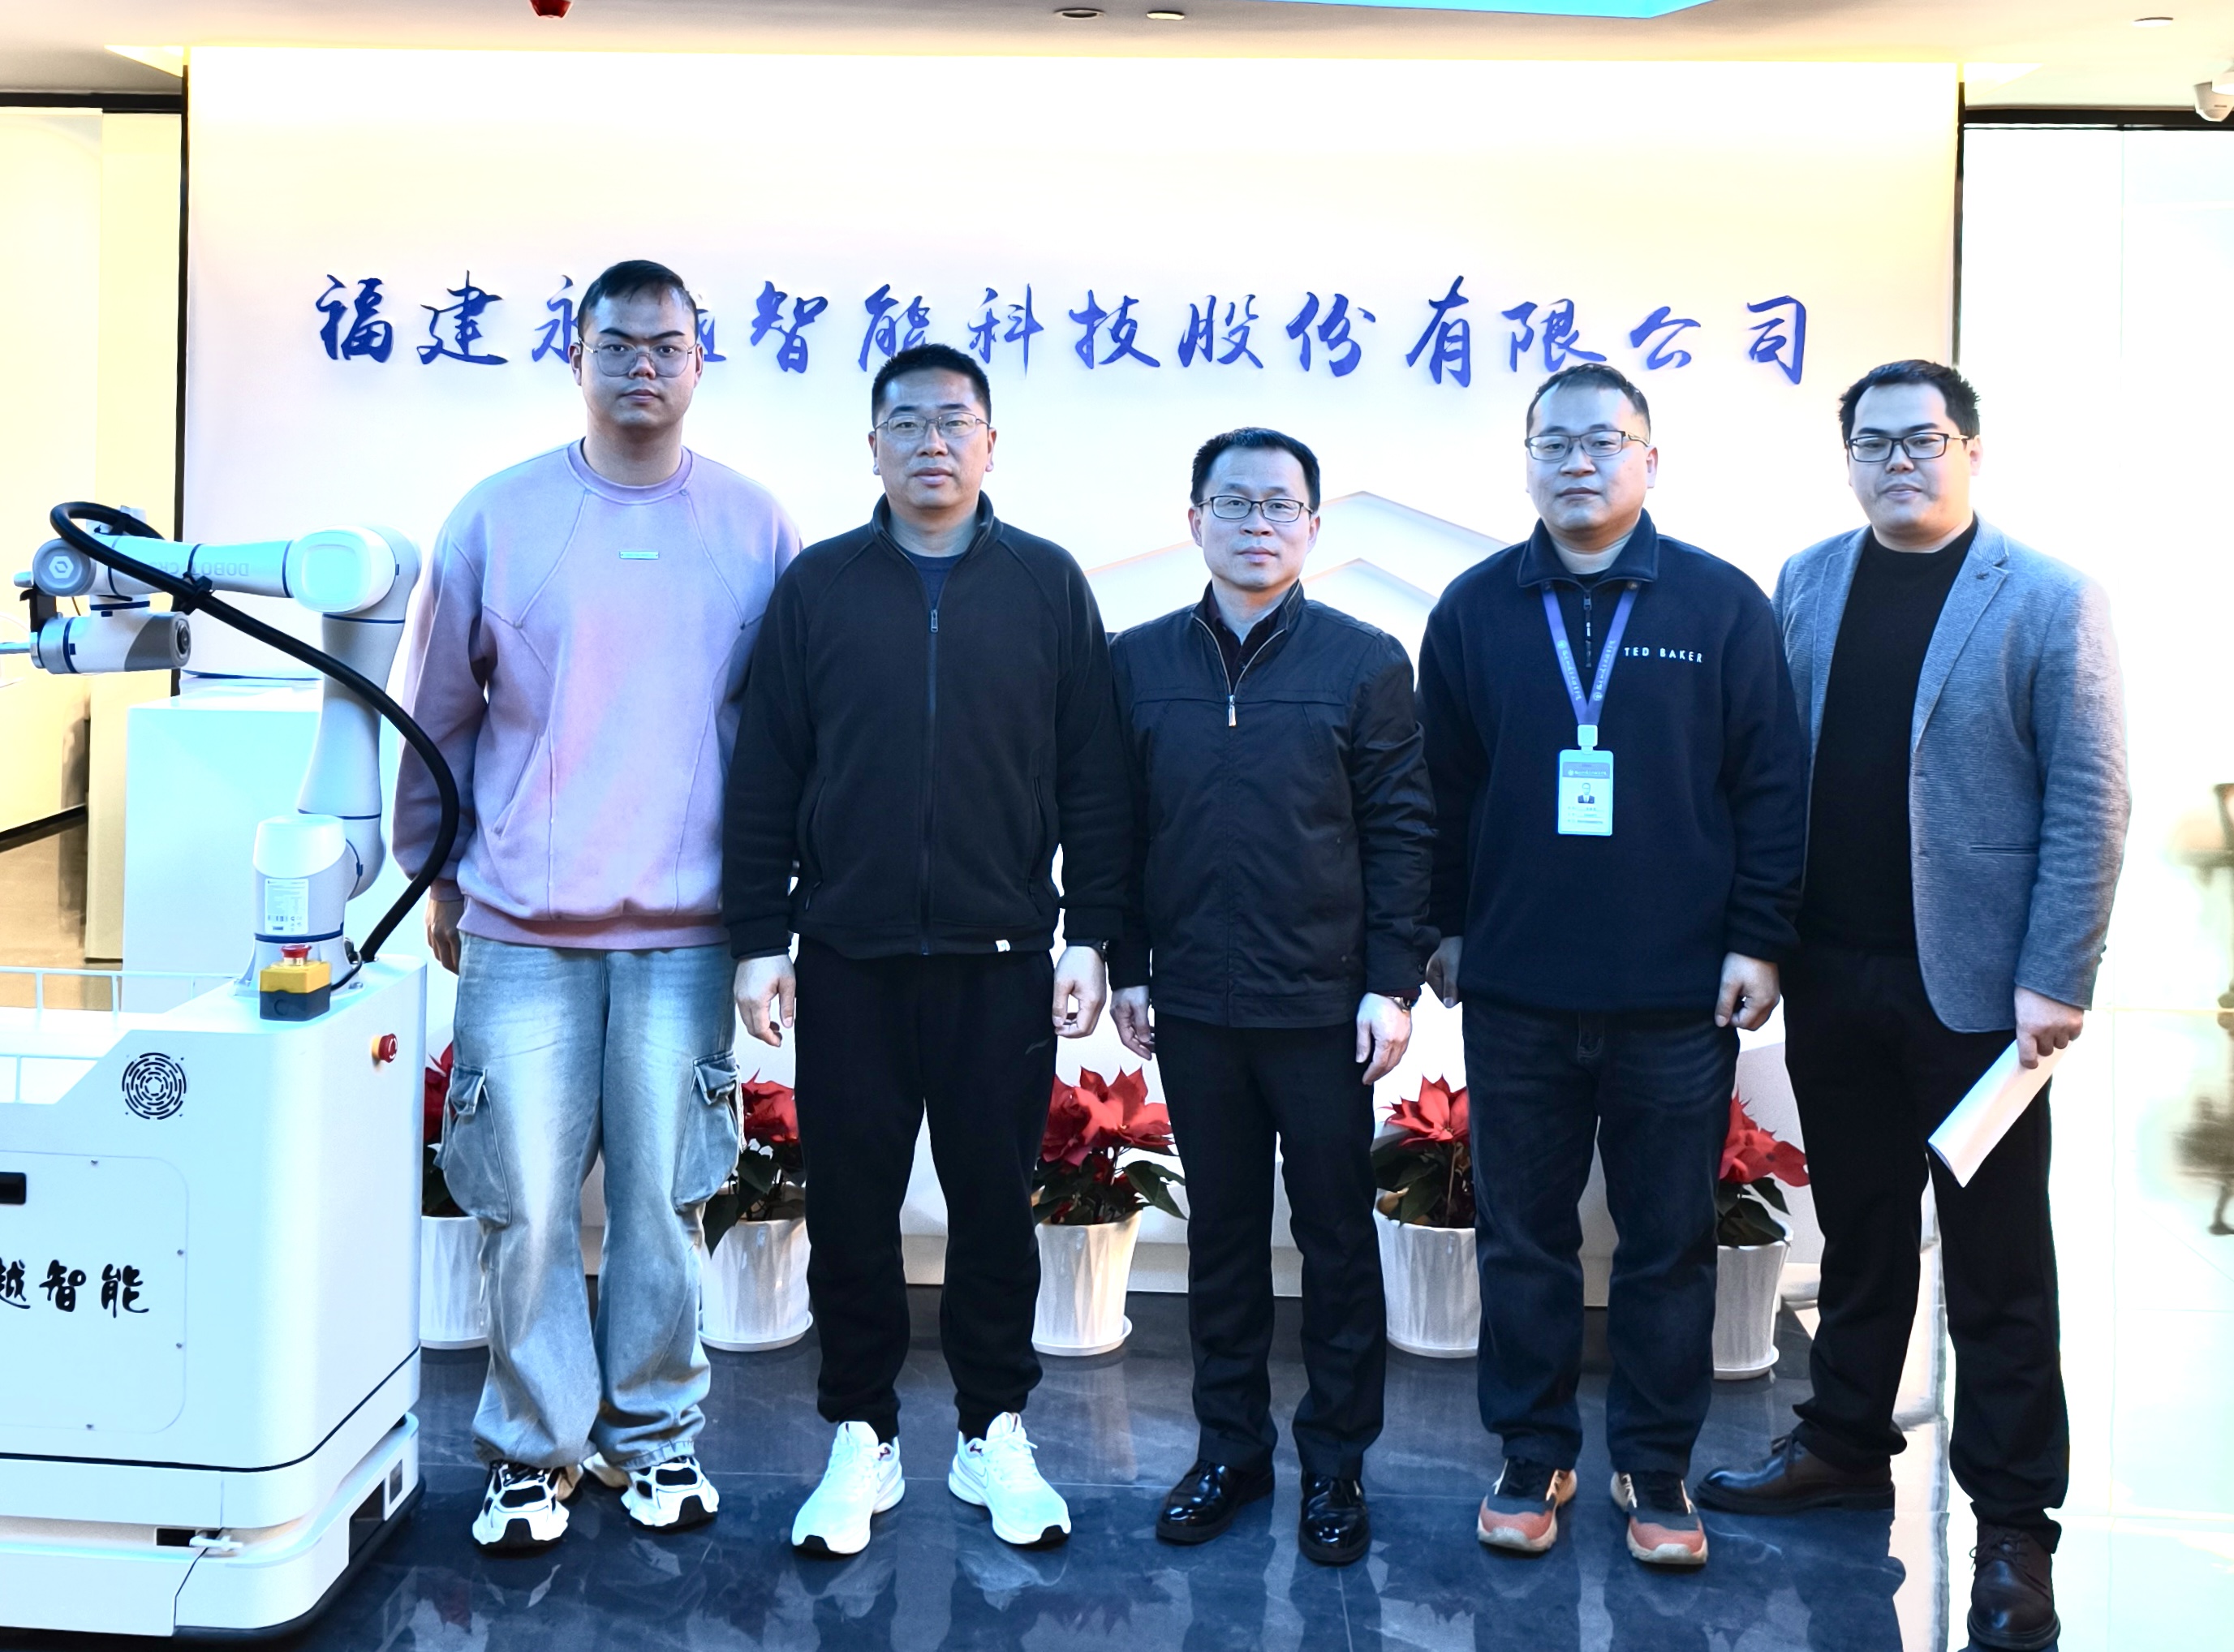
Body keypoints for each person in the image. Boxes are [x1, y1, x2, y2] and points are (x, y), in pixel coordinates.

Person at [1698, 360, 2126, 1652]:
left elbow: (2089, 795)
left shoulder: (2047, 596)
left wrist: (2056, 973)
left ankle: (2012, 1524)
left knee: (1996, 1262)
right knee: (1861, 1234)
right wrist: (1761, 939)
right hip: (1835, 971)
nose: (1897, 462)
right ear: (1847, 459)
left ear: (1969, 450)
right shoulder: (1806, 580)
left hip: (1980, 995)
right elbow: (1770, 773)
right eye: (1873, 443)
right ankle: (1841, 1443)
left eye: (1921, 440)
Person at [395, 259, 802, 1551]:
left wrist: (767, 921)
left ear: (700, 362)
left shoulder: (753, 527)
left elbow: (783, 740)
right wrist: (437, 871)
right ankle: (533, 1450)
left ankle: (654, 1437)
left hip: (688, 932)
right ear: (573, 358)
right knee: (517, 1206)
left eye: (665, 346)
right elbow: (437, 716)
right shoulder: (498, 518)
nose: (642, 366)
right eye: (616, 344)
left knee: (667, 1205)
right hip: (523, 926)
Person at [723, 342, 1130, 1559]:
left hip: (1001, 959)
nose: (932, 443)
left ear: (991, 443)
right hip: (848, 956)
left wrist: (1093, 932)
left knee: (994, 1206)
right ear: (873, 447)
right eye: (906, 423)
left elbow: (1093, 774)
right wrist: (759, 937)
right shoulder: (821, 586)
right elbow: (768, 770)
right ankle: (862, 1435)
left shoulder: (1047, 584)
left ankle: (991, 1430)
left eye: (955, 421)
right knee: (851, 1206)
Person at [1417, 362, 1808, 1571]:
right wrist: (1443, 926)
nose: (1578, 461)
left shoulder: (1719, 604)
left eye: (1605, 440)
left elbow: (1770, 786)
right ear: (1527, 459)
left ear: (1650, 458)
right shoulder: (1475, 607)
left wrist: (1759, 938)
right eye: (1555, 443)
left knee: (1666, 1240)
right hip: (1518, 988)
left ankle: (1654, 1461)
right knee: (1522, 1237)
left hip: (1676, 993)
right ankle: (1532, 1451)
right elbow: (1441, 789)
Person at [1108, 428, 1435, 1567]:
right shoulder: (1136, 661)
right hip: (1196, 1004)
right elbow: (1114, 828)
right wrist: (1127, 963)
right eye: (1235, 503)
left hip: (1324, 1009)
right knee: (1224, 1240)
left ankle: (1336, 1463)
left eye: (1279, 506)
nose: (1257, 524)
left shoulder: (1363, 661)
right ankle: (1229, 1451)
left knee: (1336, 1239)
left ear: (1312, 525)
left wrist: (1391, 983)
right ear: (1194, 519)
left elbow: (1402, 831)